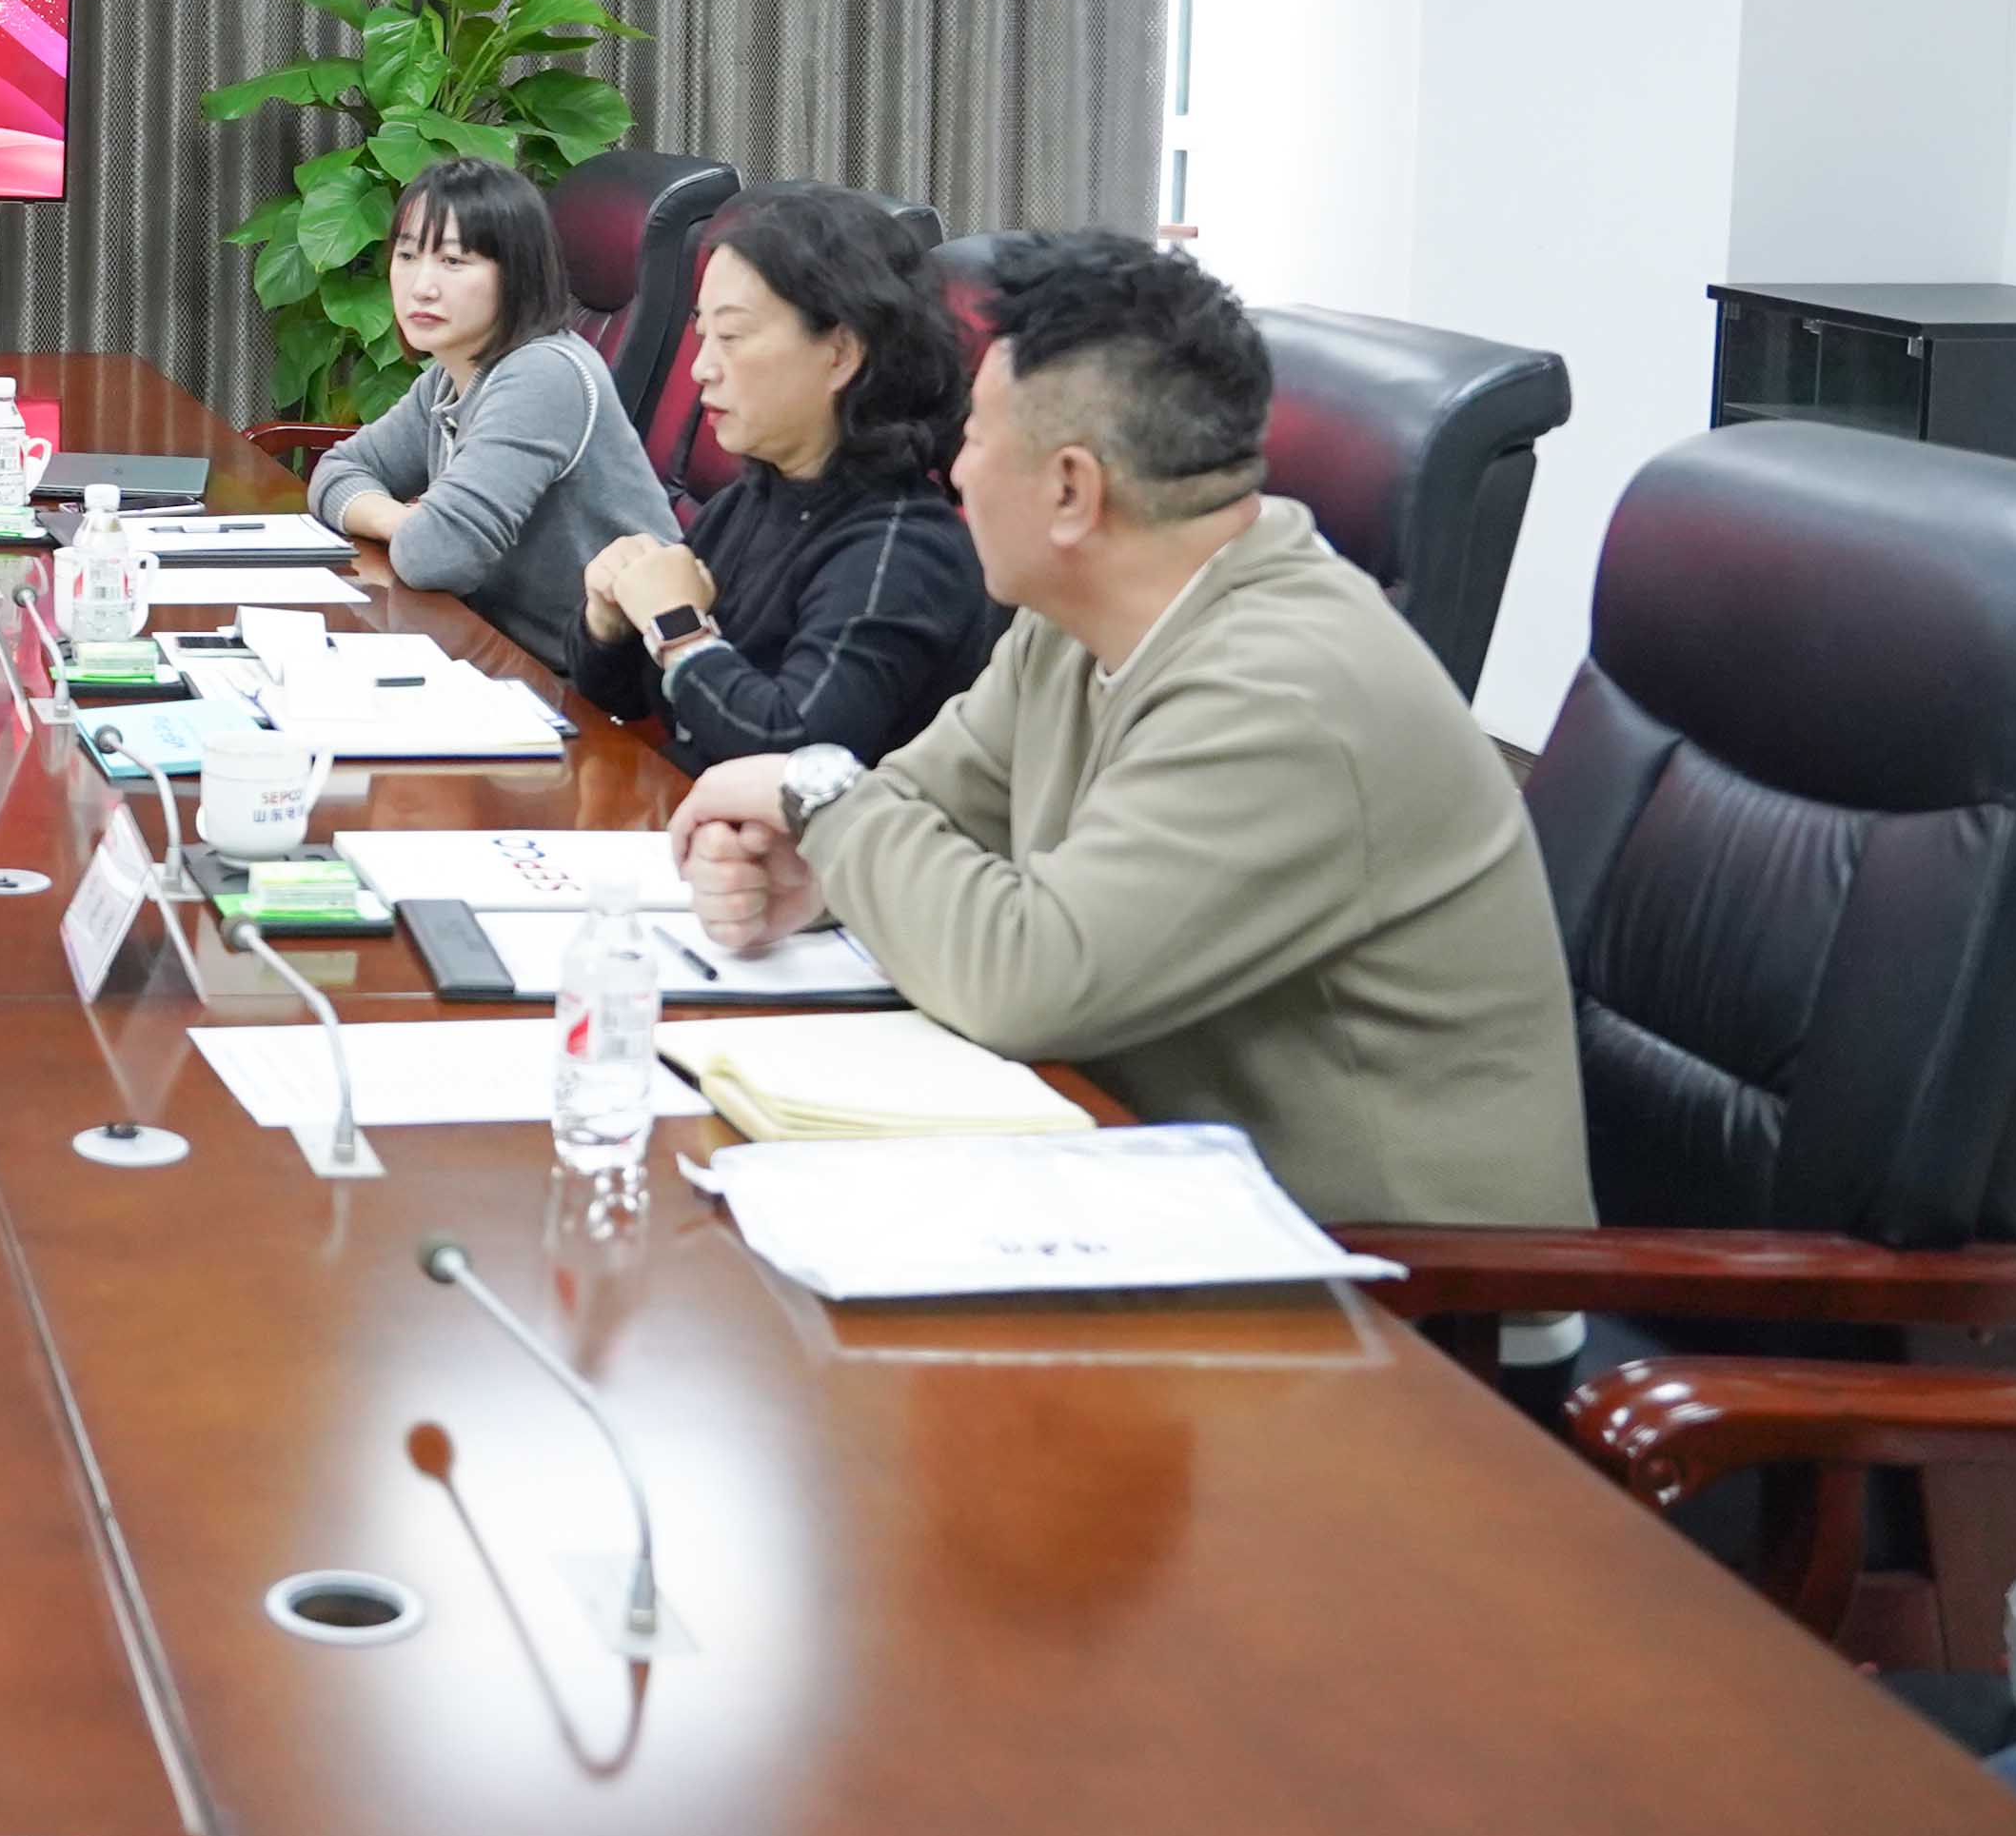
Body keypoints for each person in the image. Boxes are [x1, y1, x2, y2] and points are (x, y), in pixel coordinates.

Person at [668, 231, 1592, 1229]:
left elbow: (1025, 976)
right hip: (1155, 1176)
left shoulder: (1283, 692)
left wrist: (816, 801)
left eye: (975, 439)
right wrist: (820, 876)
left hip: (1390, 1281)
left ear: (1072, 491)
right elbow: (918, 799)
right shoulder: (1074, 618)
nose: (956, 472)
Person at [571, 186, 1002, 770]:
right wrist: (611, 620)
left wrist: (678, 628)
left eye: (731, 337)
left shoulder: (903, 549)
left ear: (840, 353)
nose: (701, 368)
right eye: (701, 334)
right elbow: (629, 697)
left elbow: (794, 750)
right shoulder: (754, 498)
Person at [303, 156, 682, 675]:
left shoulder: (544, 374)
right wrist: (403, 521)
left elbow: (436, 556)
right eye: (408, 255)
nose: (421, 286)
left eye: (453, 261)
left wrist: (418, 527)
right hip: (497, 652)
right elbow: (336, 471)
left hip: (591, 688)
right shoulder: (453, 374)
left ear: (516, 275)